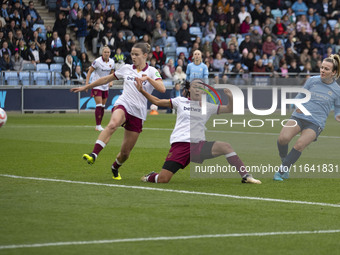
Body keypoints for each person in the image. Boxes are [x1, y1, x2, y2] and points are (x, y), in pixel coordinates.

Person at [135, 79, 261, 184]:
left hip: (198, 146)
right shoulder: (180, 101)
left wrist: (230, 98)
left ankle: (246, 176)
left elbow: (230, 109)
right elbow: (157, 101)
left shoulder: (208, 106)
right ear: (189, 89)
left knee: (226, 146)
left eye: (200, 87)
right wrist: (141, 91)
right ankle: (150, 176)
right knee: (163, 179)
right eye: (195, 86)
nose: (197, 89)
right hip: (181, 145)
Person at [70, 42, 165, 180]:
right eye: (132, 54)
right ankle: (93, 154)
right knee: (113, 123)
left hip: (138, 113)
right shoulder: (126, 68)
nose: (133, 57)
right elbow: (106, 78)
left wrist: (148, 79)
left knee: (125, 153)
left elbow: (162, 88)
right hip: (124, 104)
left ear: (145, 55)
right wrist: (87, 86)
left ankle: (115, 167)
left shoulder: (152, 71)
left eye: (136, 54)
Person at [274, 54, 340, 181]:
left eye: (326, 69)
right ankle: (285, 161)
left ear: (334, 72)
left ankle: (281, 171)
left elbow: (338, 106)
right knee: (283, 139)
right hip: (299, 116)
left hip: (316, 123)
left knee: (299, 145)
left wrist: (337, 114)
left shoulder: (337, 90)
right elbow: (301, 95)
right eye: (322, 67)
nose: (322, 71)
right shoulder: (312, 80)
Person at [85, 46, 115, 131]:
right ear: (102, 53)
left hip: (105, 86)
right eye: (105, 52)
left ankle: (99, 125)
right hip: (97, 85)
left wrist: (111, 81)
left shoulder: (112, 62)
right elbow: (90, 71)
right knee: (99, 105)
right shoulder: (97, 61)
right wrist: (87, 84)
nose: (107, 54)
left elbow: (112, 73)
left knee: (103, 106)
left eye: (108, 52)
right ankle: (98, 125)